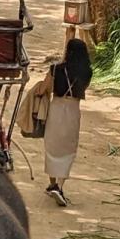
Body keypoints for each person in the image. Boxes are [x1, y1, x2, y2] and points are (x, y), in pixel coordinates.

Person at [44, 39, 92, 208]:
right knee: (68, 149)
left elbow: (45, 88)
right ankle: (60, 185)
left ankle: (52, 184)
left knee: (52, 146)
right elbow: (83, 88)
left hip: (56, 108)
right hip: (73, 110)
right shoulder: (87, 72)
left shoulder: (55, 69)